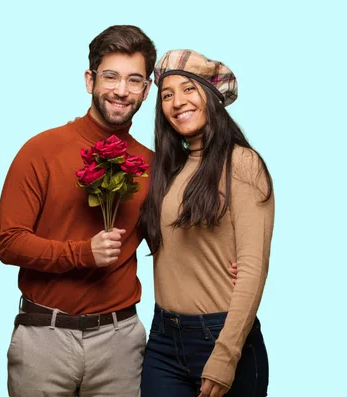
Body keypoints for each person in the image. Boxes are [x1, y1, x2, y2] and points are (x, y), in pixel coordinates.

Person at [0, 25, 157, 396]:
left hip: (120, 342)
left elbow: (171, 244)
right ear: (90, 80)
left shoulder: (150, 164)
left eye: (134, 80)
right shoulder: (41, 150)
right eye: (111, 76)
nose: (121, 90)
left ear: (146, 90)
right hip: (44, 339)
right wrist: (84, 253)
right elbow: (8, 242)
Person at [138, 49, 275, 397]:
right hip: (163, 338)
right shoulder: (170, 170)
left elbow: (252, 269)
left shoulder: (242, 164)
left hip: (219, 336)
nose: (176, 102)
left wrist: (226, 356)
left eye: (188, 89)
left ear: (212, 97)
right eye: (167, 95)